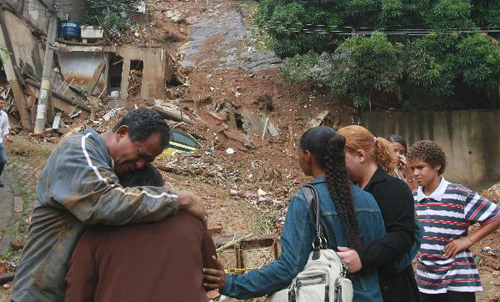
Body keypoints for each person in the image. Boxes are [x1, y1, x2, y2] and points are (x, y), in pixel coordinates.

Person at [11, 108, 205, 302]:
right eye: (140, 154)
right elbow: (104, 201)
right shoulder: (79, 150)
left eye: (147, 161)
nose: (140, 165)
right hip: (39, 293)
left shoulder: (109, 165)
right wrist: (177, 199)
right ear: (121, 133)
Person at [204, 126, 387, 301]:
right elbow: (382, 255)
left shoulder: (306, 200)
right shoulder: (368, 200)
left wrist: (232, 283)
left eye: (298, 153)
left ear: (308, 155)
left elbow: (289, 268)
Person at [65, 163, 217, 302]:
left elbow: (77, 291)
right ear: (160, 189)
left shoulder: (95, 231)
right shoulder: (192, 222)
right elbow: (212, 277)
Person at [407, 140, 500, 302]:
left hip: (458, 281)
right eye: (412, 168)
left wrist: (468, 240)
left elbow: (496, 216)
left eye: (421, 167)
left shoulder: (458, 194)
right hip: (425, 282)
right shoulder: (413, 198)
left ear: (437, 166)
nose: (415, 173)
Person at [337, 125, 421, 302]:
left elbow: (402, 236)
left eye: (340, 159)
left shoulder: (393, 188)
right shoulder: (353, 190)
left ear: (360, 155)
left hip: (392, 290)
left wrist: (363, 258)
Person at [0, 99, 10, 188]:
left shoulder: (4, 115)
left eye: (3, 103)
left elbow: (5, 127)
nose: (2, 105)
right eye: (0, 103)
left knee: (3, 160)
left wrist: (5, 136)